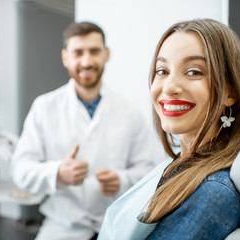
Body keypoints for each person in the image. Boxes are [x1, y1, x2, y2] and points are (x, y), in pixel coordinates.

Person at [98, 18, 240, 240]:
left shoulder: (212, 193)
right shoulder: (180, 167)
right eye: (162, 71)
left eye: (194, 72)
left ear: (230, 93)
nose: (170, 87)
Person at [11, 21, 158, 240]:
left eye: (94, 51)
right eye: (78, 52)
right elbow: (20, 170)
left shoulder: (130, 112)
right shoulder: (44, 108)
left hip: (117, 225)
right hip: (62, 227)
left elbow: (149, 172)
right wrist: (57, 173)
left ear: (106, 54)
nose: (86, 61)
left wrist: (122, 179)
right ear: (65, 57)